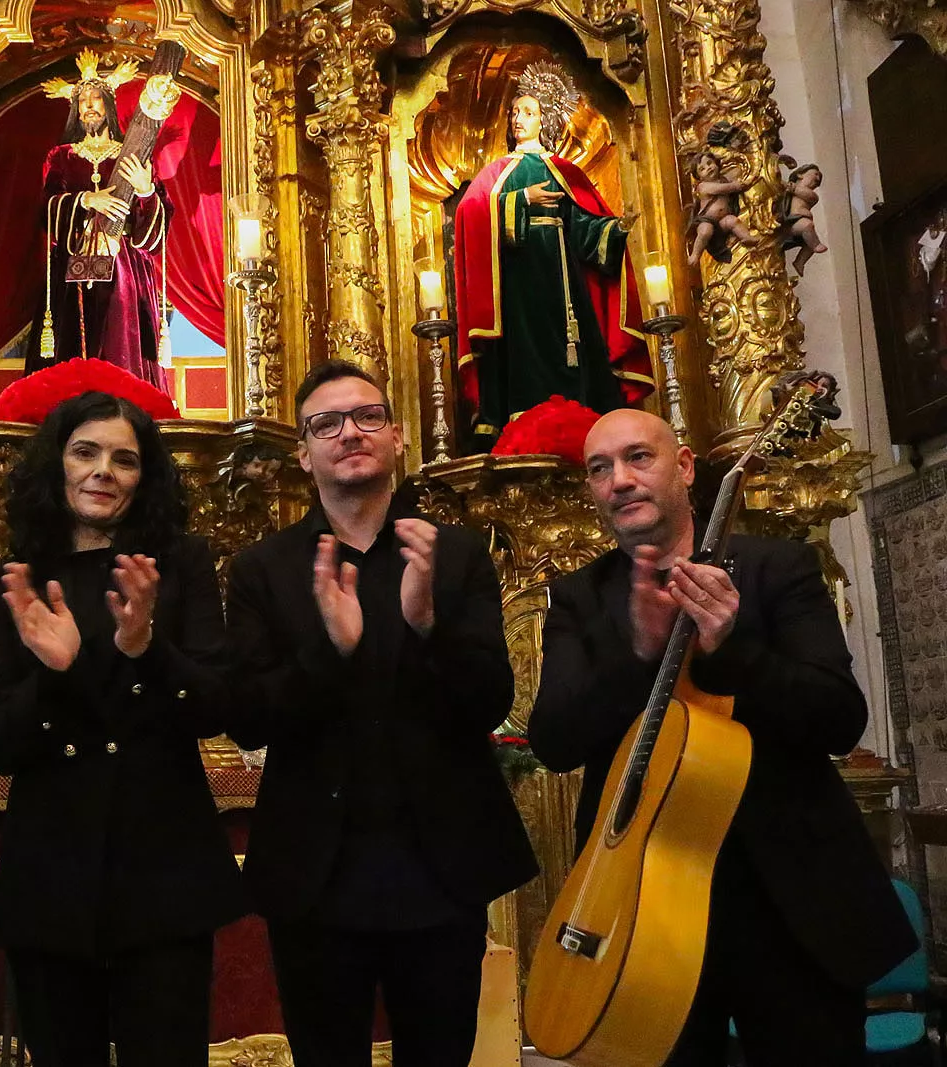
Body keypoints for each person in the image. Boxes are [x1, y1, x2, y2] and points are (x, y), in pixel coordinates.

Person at [528, 408, 916, 1066]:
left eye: (637, 458)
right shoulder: (580, 597)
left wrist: (732, 648)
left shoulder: (776, 568)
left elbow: (838, 717)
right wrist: (639, 652)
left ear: (683, 467)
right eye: (600, 468)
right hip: (647, 915)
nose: (619, 480)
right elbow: (554, 740)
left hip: (792, 900)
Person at [225, 361, 537, 1067]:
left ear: (397, 436)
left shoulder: (453, 555)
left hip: (439, 860)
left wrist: (427, 624)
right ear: (304, 452)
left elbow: (489, 699)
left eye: (367, 416)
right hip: (315, 868)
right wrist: (330, 652)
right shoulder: (263, 569)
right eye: (326, 423)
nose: (349, 433)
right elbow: (245, 715)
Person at [0, 390, 244, 1067]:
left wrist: (145, 645)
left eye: (125, 459)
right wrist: (57, 675)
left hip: (163, 868)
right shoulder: (12, 580)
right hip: (53, 873)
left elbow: (217, 706)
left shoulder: (179, 563)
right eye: (86, 452)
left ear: (144, 477)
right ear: (56, 465)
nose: (104, 470)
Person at [453, 61, 652, 444]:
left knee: (569, 343)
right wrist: (522, 199)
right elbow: (469, 213)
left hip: (562, 279)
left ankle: (580, 411)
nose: (518, 119)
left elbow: (580, 224)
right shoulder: (496, 173)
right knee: (521, 346)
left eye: (528, 112)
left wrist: (613, 229)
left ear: (545, 120)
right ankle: (516, 413)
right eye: (514, 112)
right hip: (516, 281)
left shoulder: (563, 170)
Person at [28, 49, 172, 388]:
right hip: (72, 265)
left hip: (124, 268)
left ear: (109, 104)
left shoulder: (133, 155)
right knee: (72, 346)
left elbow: (154, 234)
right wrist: (86, 199)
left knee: (122, 342)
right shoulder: (62, 157)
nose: (89, 106)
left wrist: (146, 190)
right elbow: (47, 208)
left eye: (96, 98)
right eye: (82, 101)